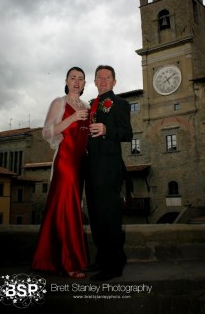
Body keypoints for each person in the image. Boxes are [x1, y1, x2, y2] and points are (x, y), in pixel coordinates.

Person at [31, 66, 89, 279]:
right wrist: (72, 119)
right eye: (72, 77)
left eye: (80, 78)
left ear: (84, 84)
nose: (76, 81)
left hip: (80, 163)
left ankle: (50, 259)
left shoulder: (87, 105)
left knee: (68, 208)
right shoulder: (59, 103)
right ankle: (68, 262)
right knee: (66, 207)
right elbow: (46, 132)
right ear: (66, 81)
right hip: (65, 161)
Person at [84, 65, 133, 281]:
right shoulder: (90, 106)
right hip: (90, 167)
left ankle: (114, 264)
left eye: (107, 77)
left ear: (114, 82)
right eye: (99, 77)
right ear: (94, 82)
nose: (103, 80)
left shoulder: (120, 103)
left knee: (110, 216)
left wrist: (106, 130)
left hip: (109, 167)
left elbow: (127, 134)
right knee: (95, 215)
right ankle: (102, 259)